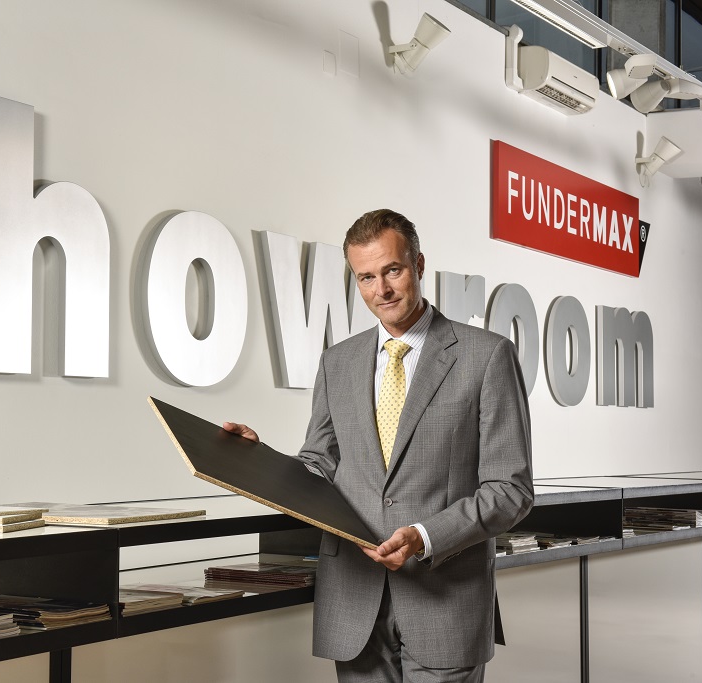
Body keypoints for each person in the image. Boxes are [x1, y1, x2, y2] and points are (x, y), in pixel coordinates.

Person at [224, 209, 533, 682]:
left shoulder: (486, 355)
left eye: (392, 271)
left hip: (445, 597)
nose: (381, 290)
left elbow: (510, 490)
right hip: (353, 598)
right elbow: (318, 465)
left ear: (419, 264)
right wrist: (257, 461)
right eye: (366, 277)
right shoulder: (337, 362)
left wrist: (423, 536)